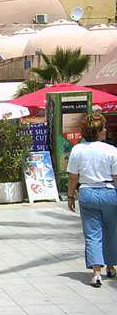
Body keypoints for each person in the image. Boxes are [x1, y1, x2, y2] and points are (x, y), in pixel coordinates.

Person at [67, 112, 117, 287]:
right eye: (103, 128)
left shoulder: (78, 150)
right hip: (109, 191)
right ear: (99, 131)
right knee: (111, 230)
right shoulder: (111, 150)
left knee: (92, 233)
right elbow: (116, 177)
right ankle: (110, 266)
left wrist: (70, 195)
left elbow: (73, 176)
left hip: (87, 192)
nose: (105, 131)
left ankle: (96, 273)